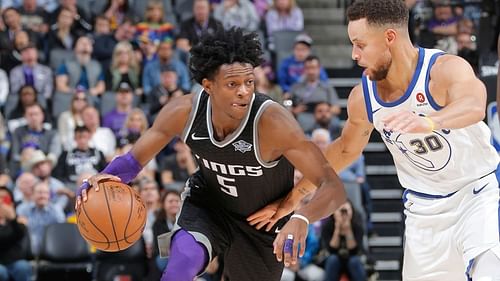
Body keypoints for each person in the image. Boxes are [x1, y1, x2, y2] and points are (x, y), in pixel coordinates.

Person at [251, 0, 500, 280]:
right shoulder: (363, 98)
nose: (355, 55)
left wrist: (431, 122)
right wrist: (294, 199)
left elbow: (475, 104)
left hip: (477, 196)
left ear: (389, 38)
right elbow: (344, 150)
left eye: (360, 44)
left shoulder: (443, 70)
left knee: (488, 272)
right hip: (423, 212)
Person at [76, 27, 346, 281]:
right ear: (208, 86)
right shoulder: (184, 111)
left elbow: (333, 186)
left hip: (263, 222)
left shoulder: (273, 122)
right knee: (178, 271)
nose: (244, 91)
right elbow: (133, 162)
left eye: (249, 82)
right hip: (208, 206)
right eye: (232, 84)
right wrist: (101, 179)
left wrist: (302, 216)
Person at [0, 186, 33, 281]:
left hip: (15, 262)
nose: (1, 203)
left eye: (5, 199)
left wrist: (13, 220)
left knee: (23, 267)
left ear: (11, 203)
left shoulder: (19, 221)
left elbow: (19, 235)